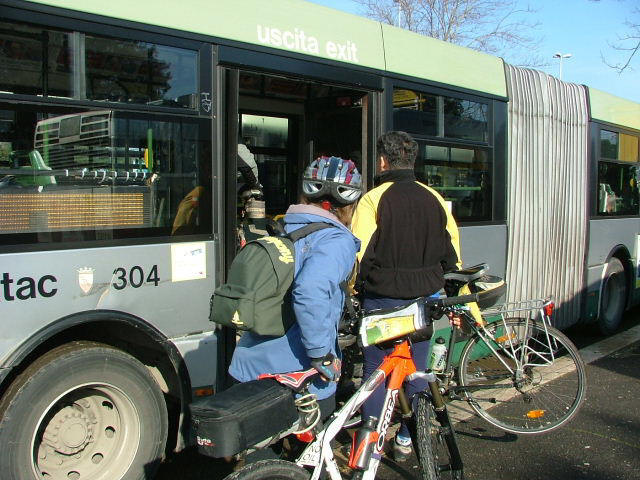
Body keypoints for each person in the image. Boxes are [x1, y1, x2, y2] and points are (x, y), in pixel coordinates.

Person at [350, 131, 462, 462]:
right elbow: (452, 254)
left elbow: (360, 256)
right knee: (417, 367)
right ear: (412, 160)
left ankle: (371, 445)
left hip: (383, 300)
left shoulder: (373, 199)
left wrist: (355, 290)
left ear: (383, 161)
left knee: (376, 372)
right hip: (425, 300)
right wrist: (455, 293)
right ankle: (406, 438)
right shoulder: (435, 198)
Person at [229, 155, 362, 430]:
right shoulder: (337, 240)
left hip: (251, 360)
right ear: (350, 205)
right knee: (306, 458)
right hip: (297, 372)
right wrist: (320, 354)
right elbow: (310, 289)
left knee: (261, 457)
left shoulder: (281, 225)